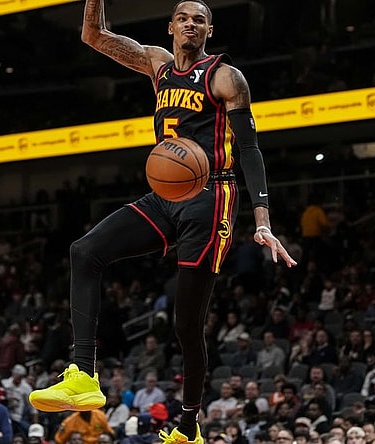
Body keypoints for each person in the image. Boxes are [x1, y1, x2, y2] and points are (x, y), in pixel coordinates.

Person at [29, 2, 296, 444]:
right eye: (183, 18)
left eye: (199, 19)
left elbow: (249, 149)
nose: (190, 24)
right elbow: (93, 37)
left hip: (213, 196)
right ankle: (83, 376)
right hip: (167, 193)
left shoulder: (225, 77)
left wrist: (263, 219)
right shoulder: (156, 64)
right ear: (170, 26)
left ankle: (188, 429)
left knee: (186, 324)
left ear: (209, 30)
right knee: (85, 250)